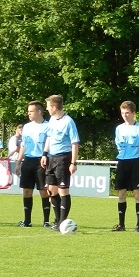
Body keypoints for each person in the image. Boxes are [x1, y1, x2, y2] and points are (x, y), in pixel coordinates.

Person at [40, 94, 80, 229]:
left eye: (48, 106)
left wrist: (73, 163)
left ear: (54, 107)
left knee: (63, 191)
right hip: (51, 158)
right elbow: (49, 137)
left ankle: (62, 223)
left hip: (63, 158)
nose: (46, 109)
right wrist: (45, 154)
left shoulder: (68, 122)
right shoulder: (52, 120)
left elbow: (75, 143)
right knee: (51, 191)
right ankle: (58, 220)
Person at [113, 101, 139, 232]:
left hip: (135, 162)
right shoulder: (119, 128)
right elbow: (119, 146)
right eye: (123, 113)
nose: (125, 115)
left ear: (133, 113)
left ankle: (138, 225)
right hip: (122, 162)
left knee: (137, 193)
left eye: (127, 113)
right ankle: (121, 224)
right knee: (121, 193)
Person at [15, 101, 52, 228]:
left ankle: (46, 221)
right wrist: (19, 162)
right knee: (26, 191)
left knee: (43, 191)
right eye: (28, 111)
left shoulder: (48, 126)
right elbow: (23, 145)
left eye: (31, 111)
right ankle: (27, 221)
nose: (29, 114)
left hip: (41, 161)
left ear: (39, 112)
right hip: (28, 161)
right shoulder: (26, 127)